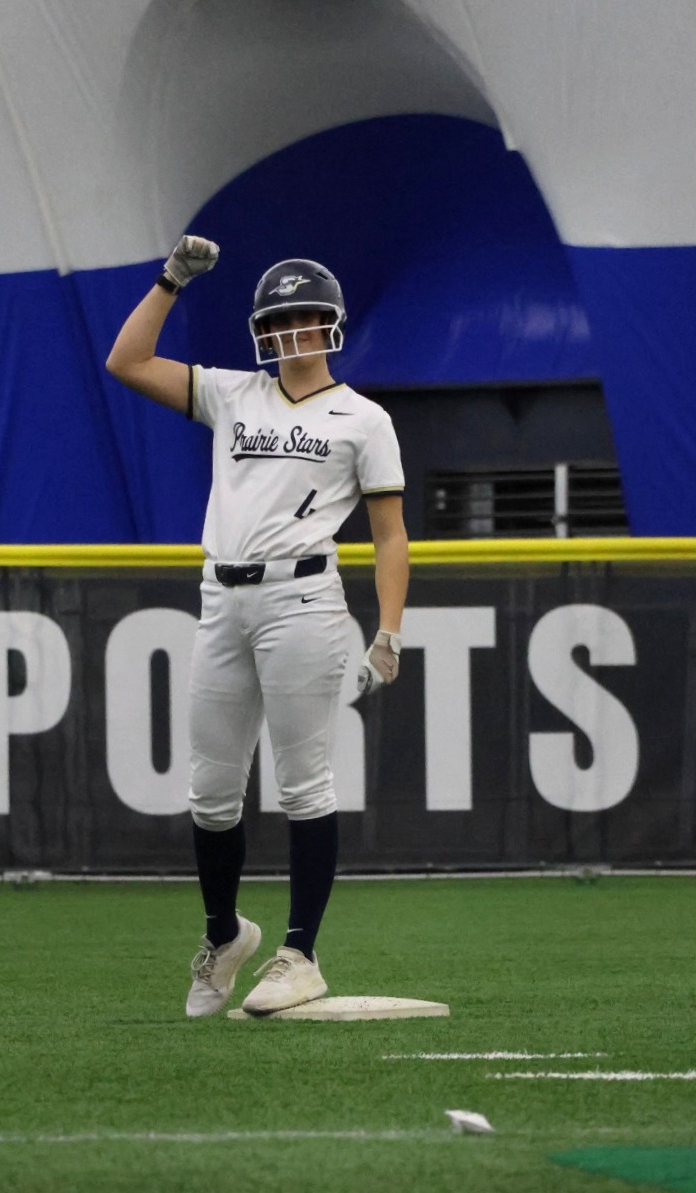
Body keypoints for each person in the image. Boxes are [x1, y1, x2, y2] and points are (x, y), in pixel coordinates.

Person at [106, 236, 410, 1017]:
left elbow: (388, 534)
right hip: (221, 596)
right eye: (282, 319)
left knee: (304, 783)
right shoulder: (234, 393)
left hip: (303, 600)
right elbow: (127, 360)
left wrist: (388, 628)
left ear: (332, 325)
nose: (296, 332)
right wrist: (171, 280)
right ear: (262, 329)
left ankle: (299, 954)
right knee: (209, 791)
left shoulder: (363, 418)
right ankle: (224, 935)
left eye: (309, 318)